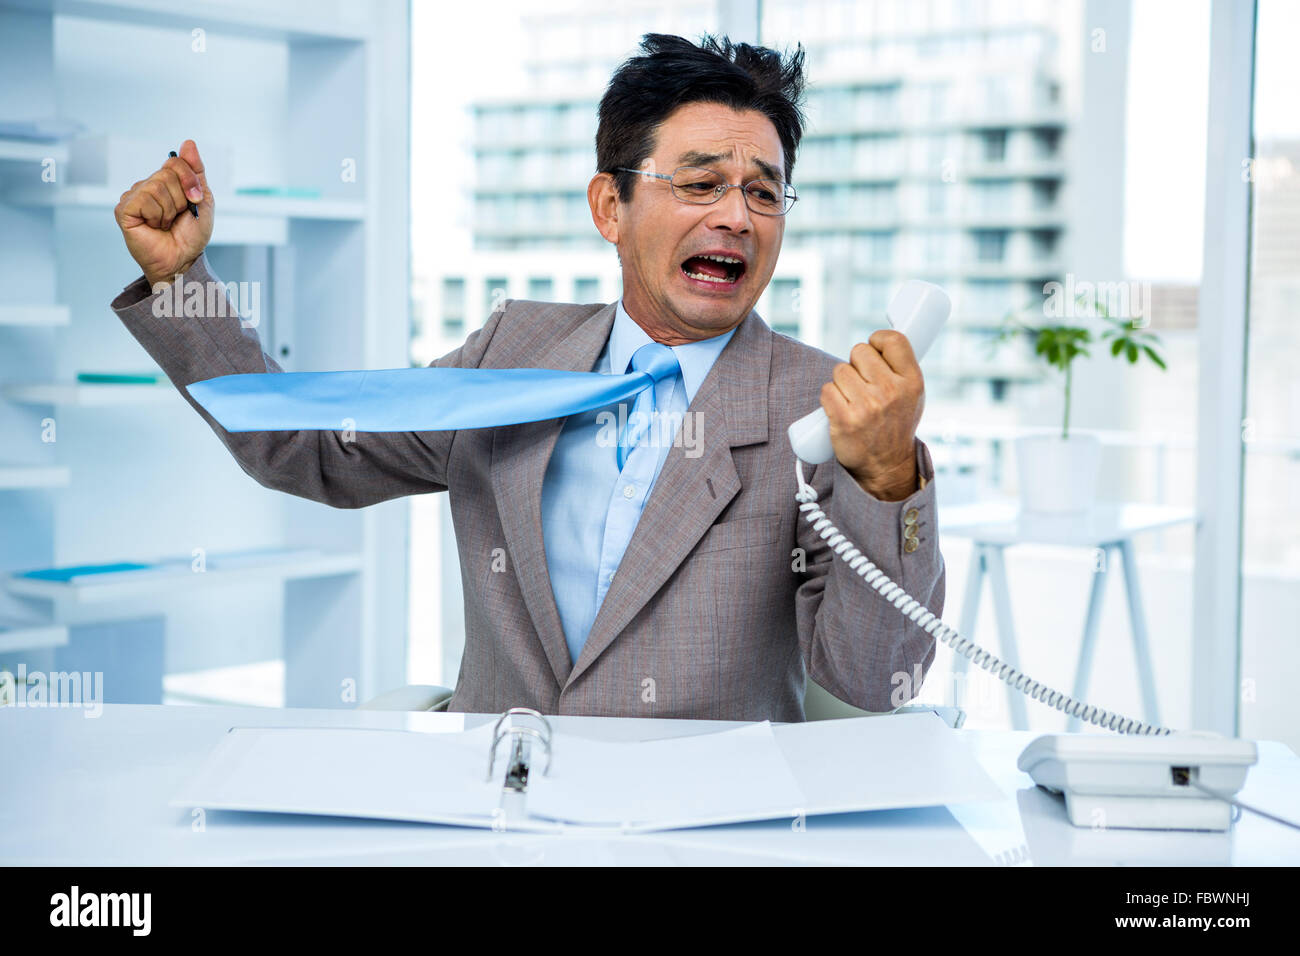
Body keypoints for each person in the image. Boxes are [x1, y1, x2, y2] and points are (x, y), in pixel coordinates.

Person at [109, 33, 945, 721]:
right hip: (493, 809)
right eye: (701, 183)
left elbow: (878, 679)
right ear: (609, 208)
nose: (736, 215)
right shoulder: (515, 348)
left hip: (698, 836)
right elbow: (305, 448)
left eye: (764, 194)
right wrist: (182, 286)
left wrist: (887, 477)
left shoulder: (826, 407)